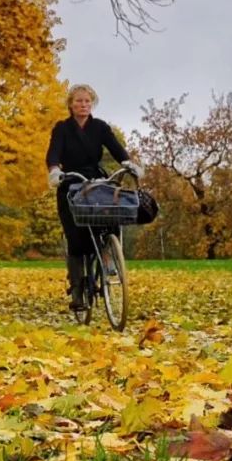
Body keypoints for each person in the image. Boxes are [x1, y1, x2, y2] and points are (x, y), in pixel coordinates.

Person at [46, 83, 143, 310]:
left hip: (96, 182)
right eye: (79, 101)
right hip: (70, 182)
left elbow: (116, 148)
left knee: (109, 218)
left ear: (93, 104)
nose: (83, 104)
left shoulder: (99, 127)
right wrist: (54, 170)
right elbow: (53, 152)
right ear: (71, 104)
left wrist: (128, 163)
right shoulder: (62, 128)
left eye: (87, 101)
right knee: (76, 238)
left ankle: (108, 255)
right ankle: (78, 292)